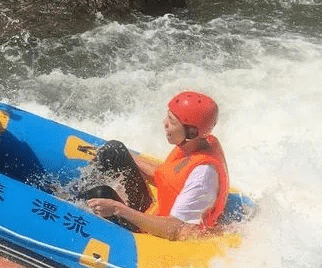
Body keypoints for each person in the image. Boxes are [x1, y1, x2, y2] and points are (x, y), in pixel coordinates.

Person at [86, 91, 229, 241]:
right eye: (168, 116)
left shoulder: (203, 174)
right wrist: (126, 156)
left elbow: (173, 230)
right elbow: (169, 178)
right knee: (115, 150)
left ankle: (70, 208)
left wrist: (117, 208)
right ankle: (71, 192)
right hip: (156, 210)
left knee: (101, 193)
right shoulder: (194, 145)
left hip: (160, 232)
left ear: (191, 132)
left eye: (172, 121)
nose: (165, 123)